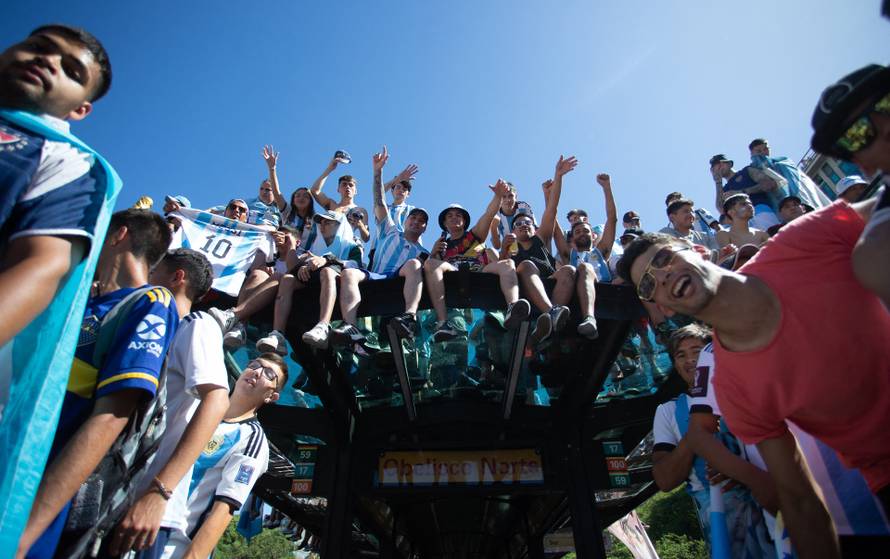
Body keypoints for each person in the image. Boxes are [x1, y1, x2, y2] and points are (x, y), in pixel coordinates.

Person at [616, 196, 890, 558]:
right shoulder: (731, 387)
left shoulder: (800, 242)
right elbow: (800, 502)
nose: (663, 276)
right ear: (663, 307)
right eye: (648, 285)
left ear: (698, 247)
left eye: (664, 259)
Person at [18, 210, 178, 559]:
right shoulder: (78, 302)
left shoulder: (150, 303)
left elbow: (111, 416)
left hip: (33, 494)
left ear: (118, 234)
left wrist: (29, 529)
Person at [107, 249, 229, 557]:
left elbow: (216, 399)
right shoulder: (149, 326)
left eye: (154, 272)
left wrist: (159, 493)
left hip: (145, 509)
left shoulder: (196, 325)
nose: (147, 279)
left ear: (177, 278)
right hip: (112, 495)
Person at [138, 355, 287, 559]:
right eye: (254, 365)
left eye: (269, 374)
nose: (257, 372)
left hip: (170, 546)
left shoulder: (252, 439)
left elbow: (223, 509)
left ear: (272, 396)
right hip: (132, 520)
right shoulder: (195, 408)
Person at [652, 325, 774, 559]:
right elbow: (665, 479)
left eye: (697, 351)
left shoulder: (745, 392)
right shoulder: (668, 412)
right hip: (722, 526)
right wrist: (697, 433)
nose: (691, 360)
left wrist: (735, 466)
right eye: (681, 355)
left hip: (772, 505)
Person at [331, 147, 429, 350]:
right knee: (349, 273)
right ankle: (351, 328)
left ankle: (409, 318)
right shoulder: (391, 230)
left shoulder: (422, 252)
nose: (416, 222)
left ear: (426, 228)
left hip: (398, 279)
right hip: (376, 274)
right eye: (414, 218)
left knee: (413, 264)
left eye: (421, 221)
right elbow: (378, 200)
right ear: (406, 220)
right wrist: (377, 172)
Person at [810, 63, 890, 310]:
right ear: (860, 164)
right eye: (859, 133)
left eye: (886, 104)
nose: (886, 126)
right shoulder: (879, 251)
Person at [500, 156, 599, 343]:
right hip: (526, 290)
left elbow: (552, 208)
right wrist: (504, 250)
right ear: (513, 229)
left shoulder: (542, 239)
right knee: (527, 265)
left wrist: (558, 176)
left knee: (569, 270)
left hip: (552, 284)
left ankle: (549, 321)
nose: (523, 225)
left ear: (535, 227)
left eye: (527, 223)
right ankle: (550, 313)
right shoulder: (512, 250)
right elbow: (502, 268)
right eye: (518, 223)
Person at [423, 180, 531, 342]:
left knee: (508, 263)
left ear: (465, 221)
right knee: (430, 264)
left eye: (458, 215)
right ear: (444, 223)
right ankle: (443, 322)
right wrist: (434, 254)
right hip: (455, 277)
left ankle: (513, 307)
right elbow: (431, 270)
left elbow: (489, 214)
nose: (454, 218)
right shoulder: (441, 245)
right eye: (450, 216)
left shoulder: (474, 236)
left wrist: (498, 195)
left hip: (481, 273)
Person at [256, 210, 361, 354]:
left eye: (328, 222)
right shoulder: (314, 246)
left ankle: (323, 326)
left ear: (339, 225)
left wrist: (327, 259)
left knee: (327, 271)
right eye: (321, 222)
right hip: (312, 283)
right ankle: (278, 334)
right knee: (287, 279)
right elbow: (296, 266)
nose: (323, 226)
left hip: (335, 281)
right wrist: (303, 266)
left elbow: (355, 265)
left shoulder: (351, 246)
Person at [209, 226, 301, 348]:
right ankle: (240, 326)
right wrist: (268, 240)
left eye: (285, 236)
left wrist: (291, 245)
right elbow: (254, 271)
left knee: (279, 276)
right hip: (260, 299)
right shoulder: (270, 258)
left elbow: (293, 271)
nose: (280, 238)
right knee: (259, 273)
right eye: (279, 235)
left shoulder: (302, 256)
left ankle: (235, 315)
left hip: (285, 300)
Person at [308, 153, 370, 244]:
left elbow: (366, 238)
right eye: (344, 184)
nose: (347, 187)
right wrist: (330, 168)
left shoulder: (360, 210)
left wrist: (360, 225)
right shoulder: (332, 204)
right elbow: (314, 190)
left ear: (355, 191)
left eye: (351, 185)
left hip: (346, 244)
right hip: (325, 243)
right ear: (338, 189)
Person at [710, 154, 782, 230]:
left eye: (721, 163)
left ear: (730, 164)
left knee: (772, 236)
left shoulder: (747, 171)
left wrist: (741, 192)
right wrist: (718, 182)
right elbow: (722, 210)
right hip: (743, 221)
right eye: (715, 166)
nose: (719, 167)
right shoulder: (724, 189)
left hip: (760, 210)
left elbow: (769, 184)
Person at [489, 181, 534, 250]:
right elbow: (497, 246)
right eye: (504, 197)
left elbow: (535, 229)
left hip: (529, 245)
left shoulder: (523, 207)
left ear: (516, 197)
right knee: (490, 251)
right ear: (499, 199)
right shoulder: (496, 215)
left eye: (511, 196)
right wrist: (493, 227)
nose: (508, 200)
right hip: (511, 251)